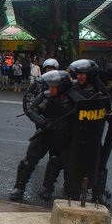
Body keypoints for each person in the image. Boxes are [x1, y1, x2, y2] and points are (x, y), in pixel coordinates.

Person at [10, 70, 75, 201]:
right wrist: (42, 121)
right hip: (45, 134)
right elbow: (30, 108)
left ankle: (48, 188)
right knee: (28, 161)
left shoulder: (74, 100)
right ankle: (19, 187)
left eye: (53, 87)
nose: (50, 89)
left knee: (56, 161)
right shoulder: (46, 96)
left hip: (63, 136)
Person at [67, 59, 111, 204]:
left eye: (83, 74)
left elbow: (107, 112)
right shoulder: (72, 88)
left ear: (90, 75)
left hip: (93, 133)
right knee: (72, 161)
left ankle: (98, 192)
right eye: (78, 73)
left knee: (99, 162)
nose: (79, 76)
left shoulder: (101, 91)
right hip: (76, 131)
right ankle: (72, 190)